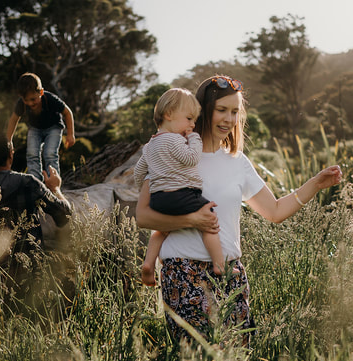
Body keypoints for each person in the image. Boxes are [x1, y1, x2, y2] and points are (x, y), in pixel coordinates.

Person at [135, 75, 342, 344]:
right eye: (222, 110)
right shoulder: (171, 150)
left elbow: (275, 211)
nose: (229, 119)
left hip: (230, 275)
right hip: (184, 274)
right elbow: (143, 216)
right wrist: (193, 219)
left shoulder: (237, 162)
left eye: (235, 112)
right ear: (203, 110)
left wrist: (315, 184)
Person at [133, 87, 230, 287]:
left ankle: (149, 264)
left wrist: (151, 188)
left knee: (161, 230)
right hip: (182, 194)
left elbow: (139, 173)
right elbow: (191, 158)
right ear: (169, 115)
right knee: (209, 218)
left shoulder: (150, 145)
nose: (192, 125)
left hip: (159, 199)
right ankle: (220, 264)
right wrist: (194, 139)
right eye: (188, 119)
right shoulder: (175, 139)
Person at [0, 132, 73, 281]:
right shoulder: (28, 182)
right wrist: (55, 188)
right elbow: (64, 215)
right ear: (11, 154)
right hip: (28, 273)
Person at [6, 72, 76, 181]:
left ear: (41, 92)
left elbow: (67, 113)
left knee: (50, 154)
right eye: (26, 100)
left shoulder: (50, 99)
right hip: (35, 129)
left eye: (33, 99)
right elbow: (13, 119)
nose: (30, 103)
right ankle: (35, 182)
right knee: (32, 154)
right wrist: (9, 140)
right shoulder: (22, 103)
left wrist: (70, 134)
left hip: (53, 128)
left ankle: (53, 183)